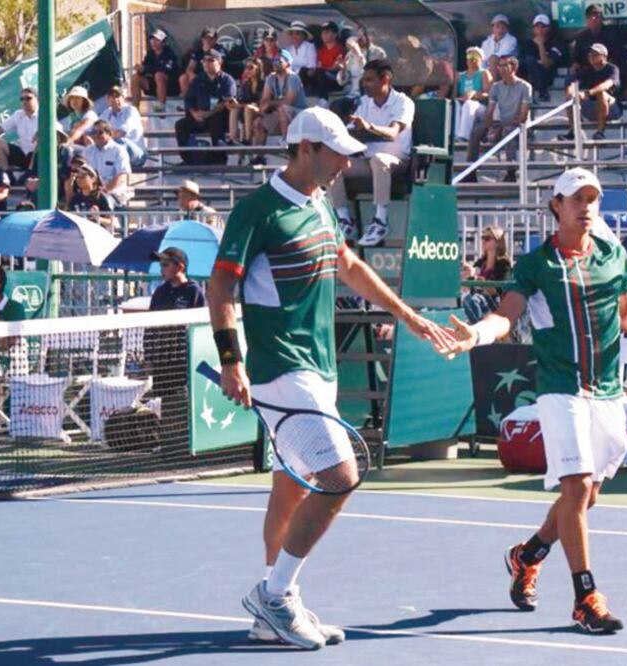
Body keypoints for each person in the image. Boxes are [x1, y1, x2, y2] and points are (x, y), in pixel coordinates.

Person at [207, 106, 455, 650]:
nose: (346, 164)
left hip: (320, 370)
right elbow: (219, 290)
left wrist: (406, 315)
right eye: (336, 154)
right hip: (280, 370)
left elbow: (350, 266)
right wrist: (231, 360)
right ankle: (274, 596)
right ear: (304, 150)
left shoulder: (319, 205)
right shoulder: (256, 211)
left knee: (292, 486)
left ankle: (274, 606)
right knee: (340, 476)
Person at [441, 167, 627, 634]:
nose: (586, 207)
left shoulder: (613, 256)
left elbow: (626, 316)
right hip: (561, 388)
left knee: (585, 496)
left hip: (605, 390)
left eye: (593, 199)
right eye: (576, 199)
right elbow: (507, 316)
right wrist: (475, 335)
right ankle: (586, 597)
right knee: (577, 487)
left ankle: (528, 555)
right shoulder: (535, 264)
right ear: (556, 207)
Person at [328, 59, 415, 247]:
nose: (365, 84)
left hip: (398, 162)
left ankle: (380, 222)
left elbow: (392, 133)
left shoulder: (403, 103)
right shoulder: (365, 103)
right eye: (364, 80)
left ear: (385, 79)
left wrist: (368, 127)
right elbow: (352, 131)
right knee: (333, 164)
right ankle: (344, 221)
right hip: (368, 161)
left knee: (379, 160)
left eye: (369, 80)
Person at [145, 247, 204, 454]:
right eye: (160, 264)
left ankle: (186, 443)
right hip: (163, 359)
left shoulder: (193, 292)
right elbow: (150, 325)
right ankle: (170, 444)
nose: (161, 268)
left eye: (165, 264)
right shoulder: (161, 292)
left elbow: (200, 325)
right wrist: (149, 355)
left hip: (183, 359)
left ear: (180, 266)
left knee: (184, 399)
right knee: (167, 401)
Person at [466, 56, 531, 183]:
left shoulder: (525, 87)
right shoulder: (495, 87)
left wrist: (500, 128)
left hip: (518, 126)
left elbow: (522, 117)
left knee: (509, 132)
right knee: (476, 133)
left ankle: (511, 172)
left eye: (505, 65)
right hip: (499, 123)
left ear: (514, 68)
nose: (501, 69)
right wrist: (491, 128)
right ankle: (470, 172)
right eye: (499, 66)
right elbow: (489, 111)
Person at [175, 49, 238, 165]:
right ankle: (188, 159)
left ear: (219, 62)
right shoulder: (198, 80)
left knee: (216, 120)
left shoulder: (227, 81)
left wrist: (208, 114)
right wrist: (194, 113)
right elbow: (189, 99)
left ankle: (219, 158)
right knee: (180, 125)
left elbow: (227, 102)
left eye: (210, 60)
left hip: (220, 118)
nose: (206, 63)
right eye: (204, 61)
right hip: (200, 117)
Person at [253, 50, 308, 159]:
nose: (275, 63)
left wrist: (270, 103)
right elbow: (264, 100)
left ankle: (285, 140)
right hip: (281, 114)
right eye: (274, 60)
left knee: (283, 108)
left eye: (279, 61)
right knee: (260, 124)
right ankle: (259, 157)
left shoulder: (294, 78)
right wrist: (260, 115)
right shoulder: (271, 78)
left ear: (288, 64)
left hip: (298, 114)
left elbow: (288, 102)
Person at [566, 43, 621, 141]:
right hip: (592, 108)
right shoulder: (587, 70)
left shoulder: (612, 69)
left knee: (602, 93)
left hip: (613, 109)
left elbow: (607, 84)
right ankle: (573, 132)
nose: (591, 57)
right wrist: (571, 91)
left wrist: (587, 93)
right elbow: (573, 82)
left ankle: (600, 132)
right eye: (590, 55)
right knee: (570, 96)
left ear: (604, 56)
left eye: (595, 54)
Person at [461, 225, 512, 324]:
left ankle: (478, 330)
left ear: (498, 243)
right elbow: (470, 285)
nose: (483, 241)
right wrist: (467, 276)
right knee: (466, 299)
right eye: (482, 238)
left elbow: (500, 289)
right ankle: (478, 329)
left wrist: (477, 279)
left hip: (494, 302)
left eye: (487, 238)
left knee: (474, 300)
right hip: (479, 299)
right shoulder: (481, 262)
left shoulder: (504, 264)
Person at [0, 87, 39, 174]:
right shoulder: (18, 114)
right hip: (23, 154)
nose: (24, 102)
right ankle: (7, 175)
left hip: (38, 156)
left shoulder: (44, 114)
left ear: (37, 99)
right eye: (22, 99)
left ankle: (31, 172)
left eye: (28, 98)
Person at [83, 120, 133, 209]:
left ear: (109, 133)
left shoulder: (119, 151)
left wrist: (104, 191)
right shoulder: (87, 151)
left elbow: (122, 176)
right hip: (92, 195)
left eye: (100, 132)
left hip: (114, 195)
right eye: (94, 132)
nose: (96, 135)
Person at [131, 29, 180, 112]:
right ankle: (135, 109)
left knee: (159, 75)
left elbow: (166, 70)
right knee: (135, 77)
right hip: (153, 85)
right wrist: (140, 69)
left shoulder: (170, 54)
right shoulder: (150, 54)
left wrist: (146, 69)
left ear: (163, 43)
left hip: (169, 87)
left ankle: (161, 106)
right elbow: (145, 68)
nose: (153, 42)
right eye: (152, 39)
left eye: (157, 40)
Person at [519, 14, 565, 103]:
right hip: (529, 76)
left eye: (543, 26)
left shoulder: (556, 42)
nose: (540, 29)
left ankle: (543, 94)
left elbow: (547, 64)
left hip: (547, 75)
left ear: (549, 28)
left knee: (532, 62)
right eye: (537, 26)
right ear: (533, 29)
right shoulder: (528, 44)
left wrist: (541, 45)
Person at [99, 86, 147, 169]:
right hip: (115, 152)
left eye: (118, 96)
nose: (115, 99)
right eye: (112, 97)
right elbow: (97, 130)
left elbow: (121, 133)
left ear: (123, 98)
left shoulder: (131, 110)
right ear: (108, 99)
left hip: (137, 155)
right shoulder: (106, 113)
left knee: (120, 141)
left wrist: (104, 136)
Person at [571, 5, 624, 79]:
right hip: (587, 71)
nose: (596, 20)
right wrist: (575, 63)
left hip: (606, 69)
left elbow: (618, 54)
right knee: (571, 78)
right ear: (587, 19)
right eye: (593, 17)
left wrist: (604, 64)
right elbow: (576, 56)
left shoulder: (612, 34)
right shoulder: (581, 37)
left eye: (599, 17)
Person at [455, 46, 494, 141]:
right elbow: (454, 95)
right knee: (454, 104)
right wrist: (460, 99)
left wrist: (474, 94)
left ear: (481, 59)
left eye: (475, 56)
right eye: (469, 56)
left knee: (469, 104)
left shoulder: (484, 73)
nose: (472, 59)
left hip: (480, 107)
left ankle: (464, 136)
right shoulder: (460, 76)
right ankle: (454, 135)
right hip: (462, 103)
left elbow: (489, 94)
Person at [179, 26, 229, 96]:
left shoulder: (220, 50)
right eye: (205, 38)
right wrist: (194, 78)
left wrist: (207, 51)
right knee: (183, 78)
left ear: (215, 39)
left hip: (214, 75)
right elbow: (189, 68)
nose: (207, 40)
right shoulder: (198, 50)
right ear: (202, 39)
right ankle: (187, 102)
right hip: (200, 76)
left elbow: (218, 66)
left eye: (210, 38)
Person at [229, 58, 266, 146]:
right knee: (234, 109)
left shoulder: (263, 83)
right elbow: (242, 100)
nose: (248, 70)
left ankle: (247, 139)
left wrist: (241, 105)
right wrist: (234, 103)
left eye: (251, 67)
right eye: (246, 67)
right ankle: (233, 138)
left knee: (248, 108)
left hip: (261, 110)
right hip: (247, 110)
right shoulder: (246, 84)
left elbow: (261, 102)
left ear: (258, 69)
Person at [67, 164, 115, 228]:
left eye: (83, 177)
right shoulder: (75, 198)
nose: (79, 179)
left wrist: (98, 218)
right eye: (78, 177)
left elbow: (112, 222)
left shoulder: (102, 197)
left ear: (93, 179)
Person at [306, 21, 345, 98]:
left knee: (321, 72)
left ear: (335, 34)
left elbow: (336, 68)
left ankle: (323, 100)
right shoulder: (320, 50)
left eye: (327, 32)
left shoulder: (340, 49)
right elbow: (318, 65)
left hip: (335, 80)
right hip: (321, 78)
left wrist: (322, 69)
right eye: (323, 33)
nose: (324, 35)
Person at [285, 21, 318, 91]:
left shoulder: (310, 47)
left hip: (305, 79)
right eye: (292, 33)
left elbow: (312, 69)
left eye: (297, 33)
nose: (294, 36)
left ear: (303, 35)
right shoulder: (288, 49)